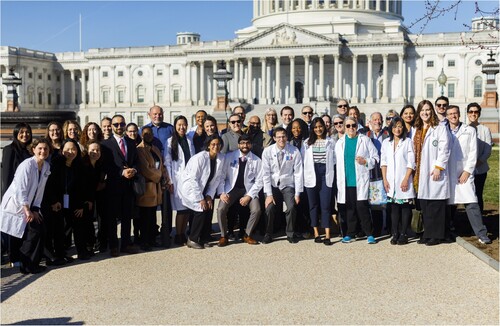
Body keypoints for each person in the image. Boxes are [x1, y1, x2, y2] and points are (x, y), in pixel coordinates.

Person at [1, 138, 52, 274]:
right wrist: (27, 209)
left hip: (30, 207)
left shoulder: (46, 166)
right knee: (32, 232)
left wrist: (35, 209)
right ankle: (26, 265)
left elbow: (40, 191)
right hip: (17, 207)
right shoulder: (27, 165)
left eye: (46, 149)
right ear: (33, 150)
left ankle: (32, 264)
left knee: (40, 230)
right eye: (40, 148)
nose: (43, 151)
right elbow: (20, 189)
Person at [446, 105, 491, 244]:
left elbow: (473, 153)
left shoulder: (470, 130)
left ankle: (481, 233)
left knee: (472, 202)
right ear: (447, 116)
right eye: (450, 114)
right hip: (448, 173)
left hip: (464, 172)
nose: (453, 116)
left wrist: (467, 171)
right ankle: (447, 229)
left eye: (455, 113)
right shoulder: (442, 131)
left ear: (459, 115)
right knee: (448, 204)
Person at [45, 139, 91, 260]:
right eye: (67, 149)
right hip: (58, 201)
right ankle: (60, 254)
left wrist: (81, 205)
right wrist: (54, 201)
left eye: (74, 149)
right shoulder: (55, 164)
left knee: (78, 223)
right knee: (60, 228)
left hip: (74, 201)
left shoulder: (80, 166)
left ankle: (82, 251)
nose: (71, 152)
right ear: (61, 150)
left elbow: (83, 187)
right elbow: (50, 185)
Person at [101, 114, 139, 257]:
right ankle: (113, 246)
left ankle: (125, 244)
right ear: (111, 126)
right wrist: (121, 172)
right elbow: (105, 166)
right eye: (116, 124)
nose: (119, 127)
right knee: (112, 218)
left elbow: (135, 160)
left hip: (129, 185)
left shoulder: (130, 142)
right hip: (113, 185)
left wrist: (134, 170)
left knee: (126, 216)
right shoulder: (105, 144)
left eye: (121, 124)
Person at [336, 116, 378, 244]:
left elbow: (375, 157)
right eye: (348, 126)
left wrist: (365, 161)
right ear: (344, 127)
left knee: (362, 207)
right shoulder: (340, 143)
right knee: (350, 208)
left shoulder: (364, 140)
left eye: (353, 125)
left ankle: (369, 233)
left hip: (361, 179)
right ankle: (350, 233)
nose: (351, 128)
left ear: (357, 126)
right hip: (346, 180)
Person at [413, 100, 450, 246]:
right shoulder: (417, 129)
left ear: (432, 111)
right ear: (419, 112)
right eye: (422, 110)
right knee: (425, 205)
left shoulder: (439, 128)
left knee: (436, 205)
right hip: (420, 172)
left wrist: (438, 167)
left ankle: (436, 235)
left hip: (434, 171)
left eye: (428, 110)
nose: (425, 113)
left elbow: (444, 149)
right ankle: (427, 233)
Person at [179, 135, 226, 249]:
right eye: (213, 144)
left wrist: (209, 196)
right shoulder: (199, 158)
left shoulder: (221, 158)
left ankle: (204, 238)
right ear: (208, 145)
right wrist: (201, 198)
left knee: (208, 208)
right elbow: (193, 179)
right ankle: (193, 239)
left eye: (218, 144)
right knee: (200, 209)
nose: (216, 146)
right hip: (191, 188)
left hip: (205, 188)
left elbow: (217, 179)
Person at [216, 134, 263, 246]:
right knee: (221, 209)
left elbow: (259, 181)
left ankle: (247, 235)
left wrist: (249, 196)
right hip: (231, 189)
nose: (245, 145)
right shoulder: (229, 157)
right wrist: (222, 192)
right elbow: (221, 176)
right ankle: (224, 236)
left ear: (251, 145)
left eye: (247, 143)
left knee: (256, 210)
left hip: (248, 190)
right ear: (238, 145)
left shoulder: (257, 160)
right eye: (242, 143)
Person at [261, 127, 304, 244]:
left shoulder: (294, 151)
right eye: (278, 137)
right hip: (273, 185)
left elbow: (298, 173)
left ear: (287, 137)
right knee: (269, 208)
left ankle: (290, 233)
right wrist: (269, 194)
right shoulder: (267, 151)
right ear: (274, 138)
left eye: (283, 136)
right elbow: (265, 174)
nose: (281, 139)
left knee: (291, 207)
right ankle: (268, 234)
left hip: (287, 184)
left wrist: (297, 193)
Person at [141, 105, 174, 247]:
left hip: (165, 169)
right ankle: (151, 234)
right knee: (151, 206)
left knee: (167, 205)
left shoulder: (170, 128)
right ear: (149, 114)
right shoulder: (144, 130)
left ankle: (166, 232)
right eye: (154, 114)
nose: (157, 116)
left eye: (160, 114)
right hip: (152, 172)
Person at [1, 123, 33, 267]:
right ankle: (13, 258)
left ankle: (20, 255)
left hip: (25, 196)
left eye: (27, 132)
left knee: (22, 227)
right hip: (14, 196)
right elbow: (6, 175)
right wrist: (8, 197)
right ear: (16, 133)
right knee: (13, 228)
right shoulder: (9, 150)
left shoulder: (28, 152)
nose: (25, 135)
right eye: (21, 132)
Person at [380, 117, 415, 245]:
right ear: (391, 128)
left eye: (400, 126)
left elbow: (411, 163)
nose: (397, 129)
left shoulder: (407, 142)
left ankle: (404, 233)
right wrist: (385, 179)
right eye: (395, 127)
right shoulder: (386, 143)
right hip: (390, 181)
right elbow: (383, 162)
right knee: (394, 208)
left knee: (405, 208)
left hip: (403, 179)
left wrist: (406, 179)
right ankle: (394, 233)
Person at [302, 117, 336, 245]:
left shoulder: (331, 141)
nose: (318, 129)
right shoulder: (307, 143)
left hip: (325, 173)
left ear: (324, 127)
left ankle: (327, 235)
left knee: (326, 205)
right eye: (315, 127)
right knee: (313, 205)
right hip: (312, 174)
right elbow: (303, 160)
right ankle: (316, 232)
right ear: (312, 128)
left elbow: (335, 159)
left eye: (320, 126)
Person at [136, 126, 169, 251]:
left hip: (156, 188)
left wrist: (162, 176)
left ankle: (152, 239)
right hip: (147, 187)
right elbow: (146, 169)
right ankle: (144, 241)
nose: (148, 135)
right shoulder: (140, 149)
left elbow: (160, 165)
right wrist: (159, 176)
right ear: (141, 135)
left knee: (153, 216)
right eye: (145, 133)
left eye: (150, 133)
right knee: (145, 217)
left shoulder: (155, 148)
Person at [165, 115, 195, 246]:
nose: (182, 127)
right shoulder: (170, 141)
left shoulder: (189, 140)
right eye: (179, 125)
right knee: (180, 209)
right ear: (175, 126)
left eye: (184, 125)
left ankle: (183, 233)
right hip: (177, 179)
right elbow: (167, 163)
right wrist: (170, 181)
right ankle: (178, 234)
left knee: (187, 208)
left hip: (189, 179)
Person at [467, 102, 492, 213]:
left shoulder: (485, 129)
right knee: (467, 195)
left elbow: (488, 150)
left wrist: (478, 162)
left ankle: (479, 219)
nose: (473, 114)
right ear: (467, 114)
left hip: (480, 169)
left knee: (478, 194)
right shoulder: (464, 129)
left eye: (476, 112)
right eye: (471, 112)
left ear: (479, 114)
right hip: (466, 170)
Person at [81, 141, 105, 256]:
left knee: (92, 222)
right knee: (86, 223)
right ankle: (87, 247)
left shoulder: (99, 165)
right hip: (84, 198)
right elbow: (82, 185)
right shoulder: (83, 165)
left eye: (97, 150)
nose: (95, 152)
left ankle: (92, 244)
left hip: (93, 197)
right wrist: (88, 200)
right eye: (92, 150)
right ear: (87, 151)